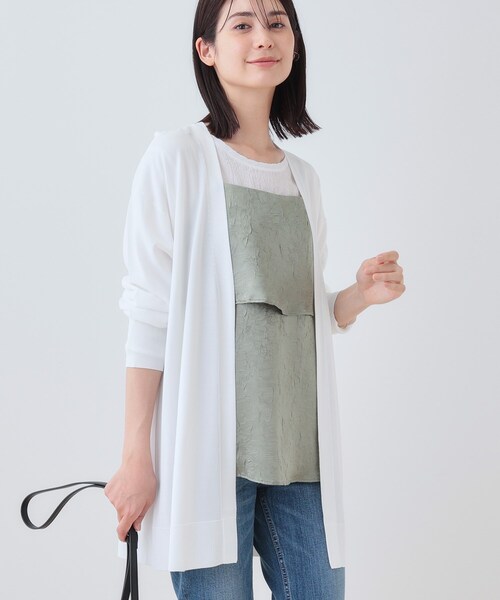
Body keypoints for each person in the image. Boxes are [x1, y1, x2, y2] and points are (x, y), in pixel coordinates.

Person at [104, 0, 406, 598]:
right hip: (210, 453)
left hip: (299, 450)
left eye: (276, 22)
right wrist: (136, 454)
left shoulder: (303, 179)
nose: (263, 37)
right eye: (241, 24)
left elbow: (302, 313)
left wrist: (358, 295)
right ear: (206, 50)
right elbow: (149, 311)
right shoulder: (177, 158)